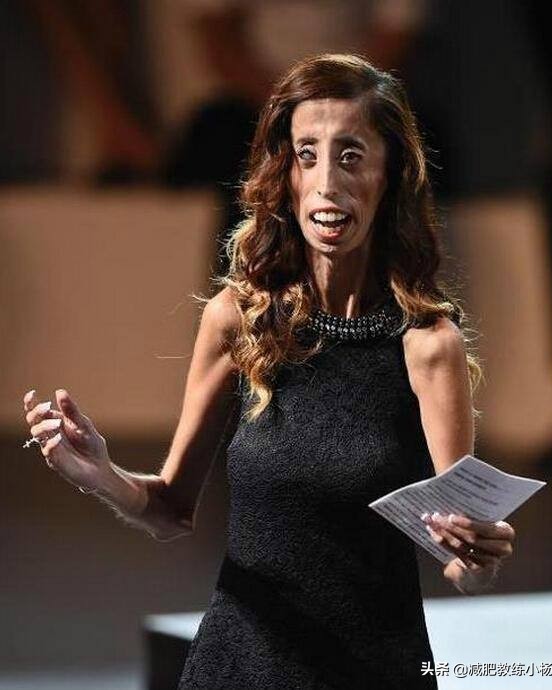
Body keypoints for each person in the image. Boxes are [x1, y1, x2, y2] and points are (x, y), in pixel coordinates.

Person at [22, 54, 515, 689]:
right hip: (241, 666)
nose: (327, 183)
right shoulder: (238, 319)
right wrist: (101, 474)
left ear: (391, 174)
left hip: (377, 670)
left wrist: (478, 558)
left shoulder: (428, 346)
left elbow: (460, 559)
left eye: (351, 156)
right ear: (285, 174)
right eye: (307, 155)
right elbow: (170, 508)